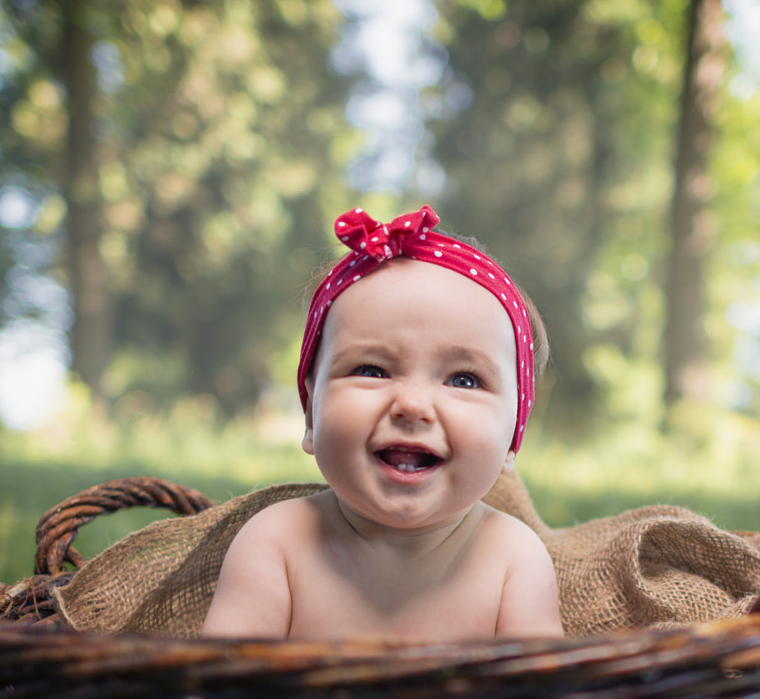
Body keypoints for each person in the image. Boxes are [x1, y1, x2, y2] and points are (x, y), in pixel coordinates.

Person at [201, 206, 563, 641]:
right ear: (311, 413)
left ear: (512, 438)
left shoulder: (514, 561)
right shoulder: (275, 544)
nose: (412, 404)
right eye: (372, 370)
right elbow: (220, 695)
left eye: (464, 379)